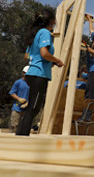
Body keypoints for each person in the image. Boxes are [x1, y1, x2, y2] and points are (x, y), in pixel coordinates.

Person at [16, 8, 64, 136]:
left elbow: (27, 56)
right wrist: (57, 60)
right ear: (52, 20)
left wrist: (49, 62)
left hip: (33, 73)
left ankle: (20, 134)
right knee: (34, 107)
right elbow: (44, 53)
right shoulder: (44, 33)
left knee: (32, 106)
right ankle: (22, 137)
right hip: (39, 75)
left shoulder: (36, 34)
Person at [8, 66, 30, 133]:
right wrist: (19, 99)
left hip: (27, 109)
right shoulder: (18, 82)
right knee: (14, 126)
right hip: (17, 108)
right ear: (23, 73)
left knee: (24, 128)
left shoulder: (31, 84)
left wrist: (28, 102)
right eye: (26, 73)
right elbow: (12, 93)